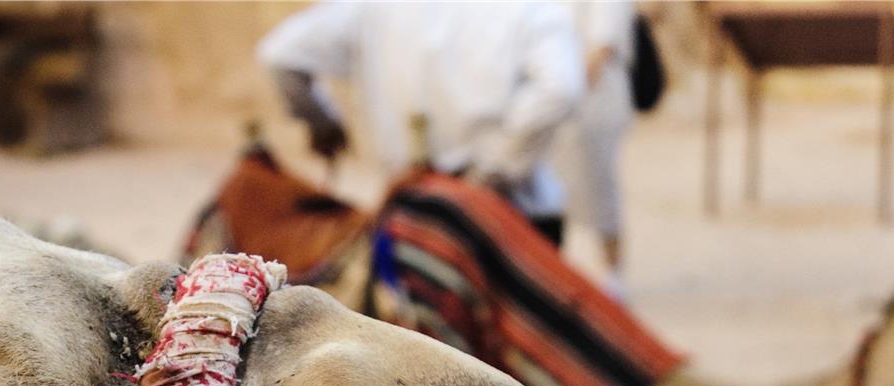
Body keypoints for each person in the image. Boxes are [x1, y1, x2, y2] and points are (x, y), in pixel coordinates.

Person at [257, 1, 583, 245]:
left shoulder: (371, 8)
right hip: (516, 215)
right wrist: (491, 172)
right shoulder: (532, 9)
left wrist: (323, 124)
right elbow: (560, 89)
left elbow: (280, 55)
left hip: (413, 217)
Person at [572, 0, 636, 281]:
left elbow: (603, 43)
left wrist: (567, 85)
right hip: (559, 101)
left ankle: (612, 275)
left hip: (593, 100)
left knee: (600, 191)